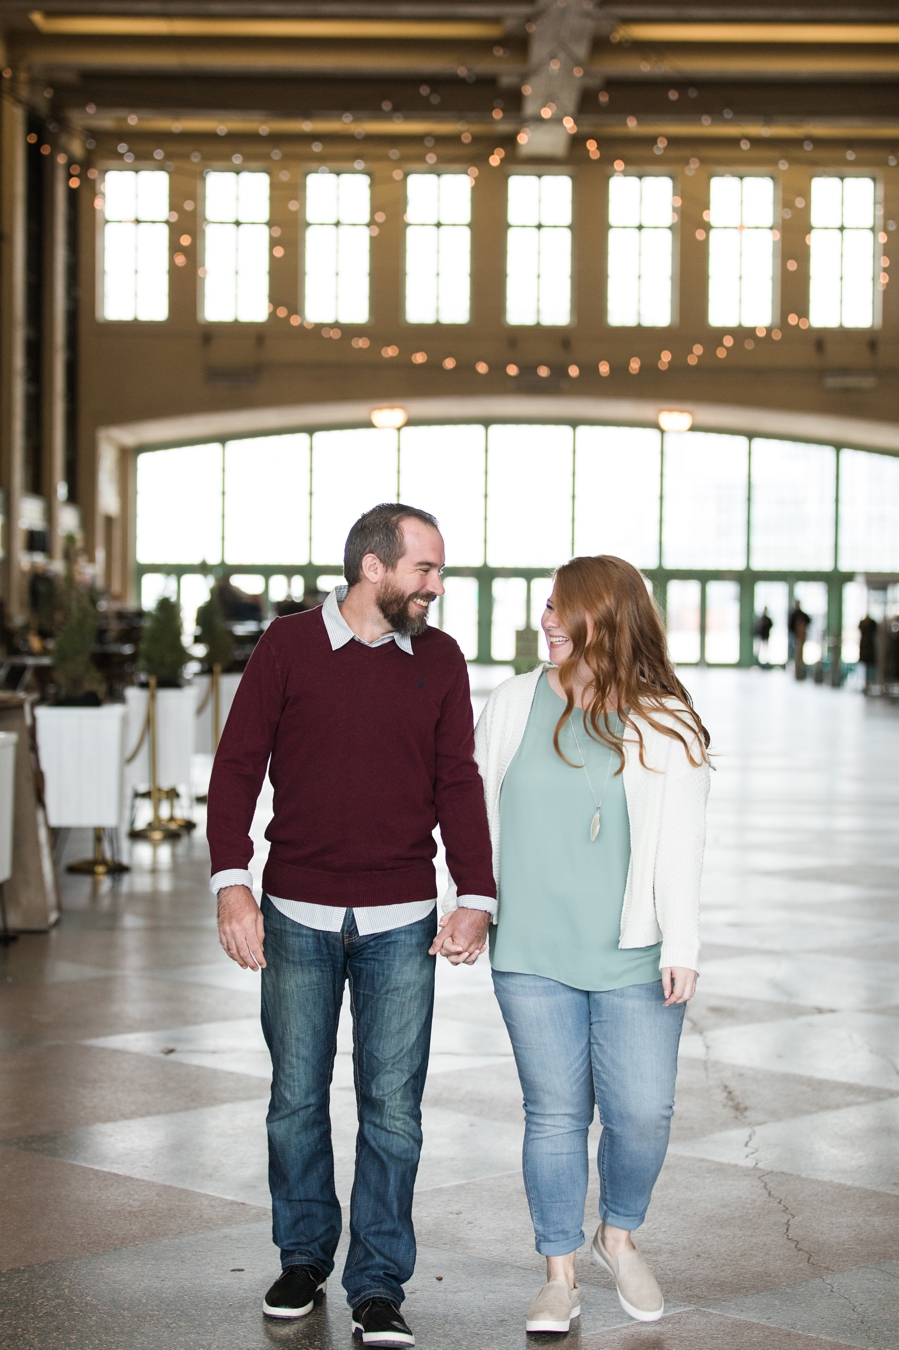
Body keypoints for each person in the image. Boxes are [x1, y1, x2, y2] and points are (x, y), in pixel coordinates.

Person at [211, 503, 496, 1350]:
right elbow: (235, 765)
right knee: (294, 1101)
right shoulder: (288, 646)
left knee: (393, 1112)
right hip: (295, 913)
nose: (436, 587)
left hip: (402, 917)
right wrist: (233, 885)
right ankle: (302, 1259)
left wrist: (474, 892)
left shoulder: (439, 660)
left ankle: (377, 1283)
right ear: (374, 568)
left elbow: (459, 782)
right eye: (426, 569)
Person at [463, 554, 710, 1334]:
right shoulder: (511, 704)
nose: (546, 621)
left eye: (562, 610)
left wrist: (685, 943)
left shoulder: (666, 722)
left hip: (634, 950)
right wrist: (470, 904)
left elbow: (683, 846)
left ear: (607, 620)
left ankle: (619, 1233)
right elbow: (473, 818)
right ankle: (558, 1273)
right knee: (555, 1114)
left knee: (642, 1112)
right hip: (532, 951)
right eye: (546, 607)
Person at [787, 599, 810, 679]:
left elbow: (808, 621)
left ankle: (800, 668)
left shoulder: (802, 614)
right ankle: (792, 666)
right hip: (794, 635)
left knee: (800, 653)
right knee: (793, 652)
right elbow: (790, 625)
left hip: (800, 636)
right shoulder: (793, 614)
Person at [857, 612, 879, 689]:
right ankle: (866, 683)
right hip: (864, 646)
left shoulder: (872, 623)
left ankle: (870, 682)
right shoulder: (862, 623)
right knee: (865, 666)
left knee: (870, 666)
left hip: (870, 646)